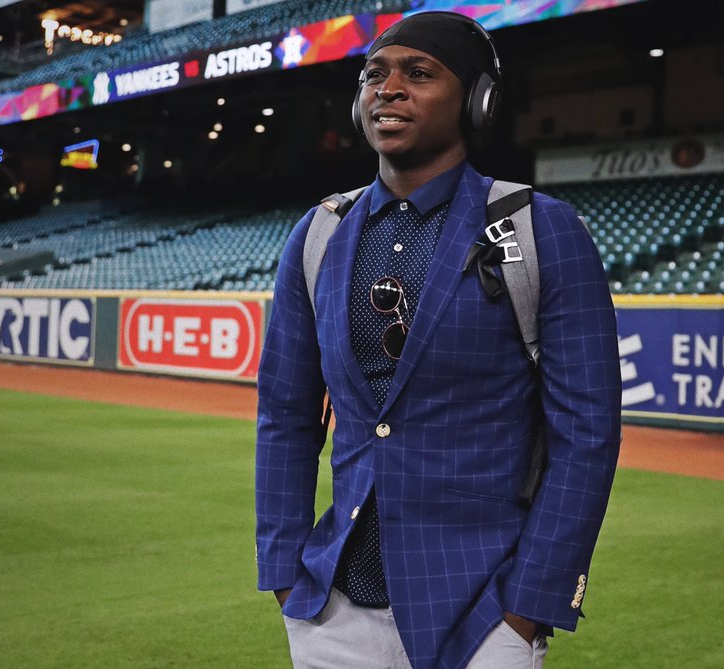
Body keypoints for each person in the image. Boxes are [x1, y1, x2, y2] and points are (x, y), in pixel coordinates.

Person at [256, 11, 621, 669]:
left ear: (477, 100)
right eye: (374, 75)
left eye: (419, 73)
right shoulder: (317, 233)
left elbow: (587, 434)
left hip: (484, 610)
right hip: (332, 610)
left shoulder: (544, 229)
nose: (388, 89)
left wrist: (526, 609)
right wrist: (285, 571)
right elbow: (285, 415)